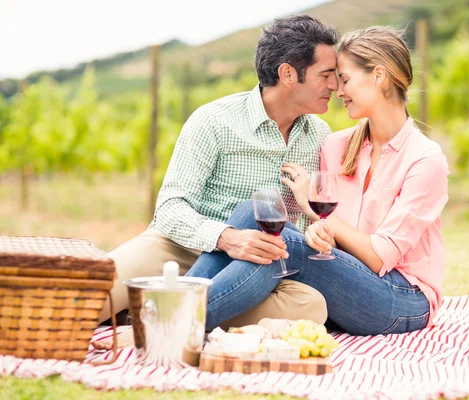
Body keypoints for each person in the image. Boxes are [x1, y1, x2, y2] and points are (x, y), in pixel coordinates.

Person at [187, 26, 449, 335]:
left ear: (378, 76)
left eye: (346, 79)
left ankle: (174, 323)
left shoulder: (425, 159)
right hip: (347, 281)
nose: (338, 91)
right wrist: (321, 232)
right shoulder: (336, 146)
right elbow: (333, 238)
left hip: (401, 298)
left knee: (280, 243)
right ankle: (174, 307)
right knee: (251, 214)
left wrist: (313, 206)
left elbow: (380, 257)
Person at [97, 14, 339, 327]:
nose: (334, 85)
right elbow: (170, 208)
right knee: (80, 299)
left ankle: (155, 311)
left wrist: (318, 233)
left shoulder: (319, 134)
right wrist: (226, 238)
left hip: (256, 269)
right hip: (179, 251)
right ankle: (160, 308)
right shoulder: (214, 120)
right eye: (326, 74)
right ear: (288, 74)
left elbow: (309, 223)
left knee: (309, 308)